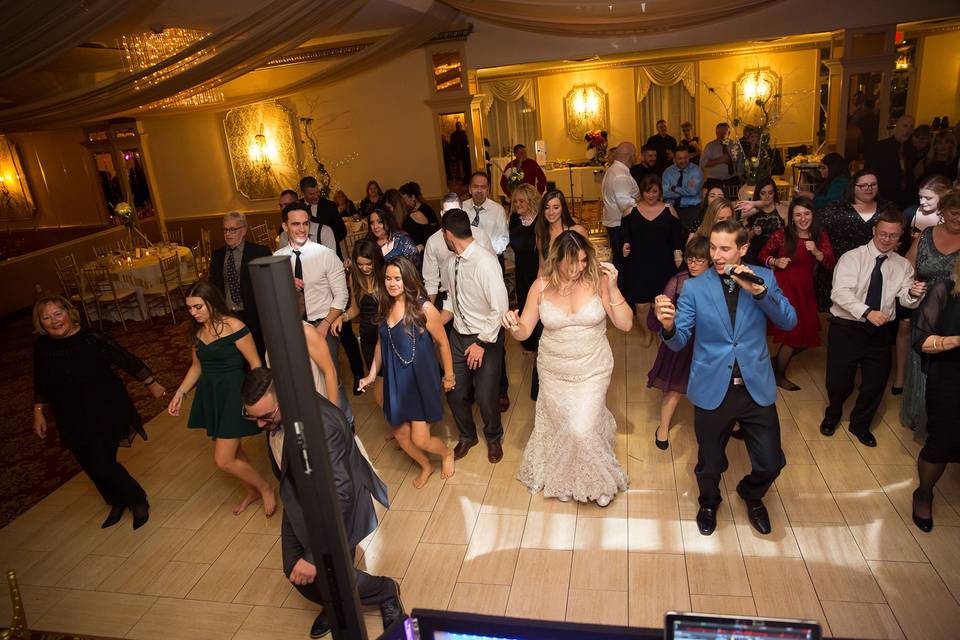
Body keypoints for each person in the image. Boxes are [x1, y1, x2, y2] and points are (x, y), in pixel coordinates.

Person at [654, 219, 797, 537]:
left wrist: (759, 291)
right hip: (712, 387)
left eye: (724, 248)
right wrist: (668, 326)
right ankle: (708, 502)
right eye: (713, 248)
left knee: (772, 462)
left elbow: (788, 322)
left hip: (755, 387)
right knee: (709, 463)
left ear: (743, 249)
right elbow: (679, 341)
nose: (716, 255)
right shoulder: (694, 287)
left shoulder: (766, 279)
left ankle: (751, 494)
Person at [240, 367, 402, 638]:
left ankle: (385, 590)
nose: (259, 425)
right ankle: (336, 603)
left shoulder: (321, 425)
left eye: (266, 417)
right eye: (253, 417)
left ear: (285, 399)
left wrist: (313, 556)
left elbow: (340, 494)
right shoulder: (275, 415)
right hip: (299, 497)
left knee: (335, 573)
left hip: (336, 506)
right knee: (294, 567)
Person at [503, 231, 633, 506]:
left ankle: (600, 480)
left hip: (592, 367)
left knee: (581, 427)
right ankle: (564, 476)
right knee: (564, 425)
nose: (580, 268)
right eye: (573, 262)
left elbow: (625, 324)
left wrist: (613, 289)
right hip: (553, 370)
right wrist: (514, 327)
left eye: (584, 260)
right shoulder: (540, 287)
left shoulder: (598, 282)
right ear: (557, 260)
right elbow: (525, 330)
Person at [32, 295, 162, 530]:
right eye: (46, 317)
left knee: (102, 462)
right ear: (40, 323)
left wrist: (151, 382)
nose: (54, 321)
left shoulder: (91, 338)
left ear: (70, 313)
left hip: (105, 408)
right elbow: (40, 381)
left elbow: (125, 359)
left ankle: (137, 499)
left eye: (58, 314)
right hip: (69, 415)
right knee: (88, 464)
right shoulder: (42, 347)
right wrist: (38, 411)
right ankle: (116, 501)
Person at [167, 281, 276, 516]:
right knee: (233, 452)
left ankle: (265, 488)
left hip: (234, 394)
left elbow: (255, 364)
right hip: (212, 394)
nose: (193, 313)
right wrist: (180, 392)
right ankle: (252, 490)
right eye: (189, 308)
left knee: (223, 459)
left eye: (198, 307)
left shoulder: (235, 326)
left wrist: (255, 399)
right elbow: (197, 366)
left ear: (212, 303)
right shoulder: (197, 332)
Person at [820, 211, 926, 447]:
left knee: (875, 382)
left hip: (879, 331)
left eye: (893, 236)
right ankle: (833, 414)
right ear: (873, 231)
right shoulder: (852, 258)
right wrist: (867, 311)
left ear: (900, 237)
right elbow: (839, 294)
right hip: (847, 327)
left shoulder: (902, 266)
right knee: (839, 382)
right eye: (883, 234)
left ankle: (861, 425)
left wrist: (913, 294)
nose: (887, 240)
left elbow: (906, 300)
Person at [358, 257, 457, 488]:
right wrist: (372, 374)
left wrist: (449, 375)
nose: (392, 284)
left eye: (397, 279)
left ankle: (446, 454)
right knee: (402, 436)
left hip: (419, 379)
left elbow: (442, 342)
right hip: (396, 379)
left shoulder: (424, 308)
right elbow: (381, 344)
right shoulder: (385, 305)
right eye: (388, 279)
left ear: (408, 279)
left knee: (420, 438)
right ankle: (426, 466)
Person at [440, 209, 510, 464]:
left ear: (447, 234)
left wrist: (481, 343)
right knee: (454, 391)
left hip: (486, 338)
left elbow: (500, 309)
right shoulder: (450, 262)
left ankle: (493, 436)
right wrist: (434, 324)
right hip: (458, 337)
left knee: (485, 395)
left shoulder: (485, 262)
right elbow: (451, 302)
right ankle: (467, 436)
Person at [274, 203, 353, 425]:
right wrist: (284, 285)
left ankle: (343, 425)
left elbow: (341, 296)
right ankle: (312, 427)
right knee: (301, 380)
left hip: (322, 325)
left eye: (305, 223)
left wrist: (326, 324)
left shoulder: (326, 255)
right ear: (285, 227)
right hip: (293, 328)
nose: (301, 229)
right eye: (295, 224)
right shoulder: (277, 259)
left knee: (331, 379)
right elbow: (273, 300)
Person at [758, 197, 836, 390]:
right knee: (793, 335)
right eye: (798, 214)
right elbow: (761, 256)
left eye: (807, 214)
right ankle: (779, 375)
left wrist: (817, 252)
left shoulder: (819, 235)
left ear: (813, 215)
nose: (803, 218)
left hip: (805, 290)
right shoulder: (781, 235)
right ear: (792, 217)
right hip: (784, 289)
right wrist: (775, 262)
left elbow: (830, 263)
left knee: (806, 334)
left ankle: (774, 361)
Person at [900, 190, 960, 439]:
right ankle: (918, 418)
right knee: (920, 364)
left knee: (945, 369)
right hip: (923, 311)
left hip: (954, 315)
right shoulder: (926, 236)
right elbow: (907, 266)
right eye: (955, 213)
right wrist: (911, 287)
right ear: (943, 212)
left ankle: (940, 425)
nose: (959, 218)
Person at [909, 259, 960, 533]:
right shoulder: (945, 290)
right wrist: (955, 340)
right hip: (951, 378)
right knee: (942, 440)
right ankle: (924, 493)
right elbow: (921, 341)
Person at [646, 237, 711, 449]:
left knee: (715, 388)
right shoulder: (678, 280)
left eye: (699, 260)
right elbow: (660, 317)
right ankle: (663, 428)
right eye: (690, 259)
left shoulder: (717, 282)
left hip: (708, 343)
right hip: (681, 343)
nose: (693, 264)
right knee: (674, 390)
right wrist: (660, 310)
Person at [892, 174, 952, 396]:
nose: (923, 202)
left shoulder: (950, 222)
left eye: (928, 198)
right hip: (916, 285)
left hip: (945, 295)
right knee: (905, 329)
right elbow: (907, 256)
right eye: (920, 197)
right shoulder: (910, 213)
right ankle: (902, 379)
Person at [816, 169, 896, 309]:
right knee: (841, 309)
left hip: (877, 270)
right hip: (841, 269)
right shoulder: (835, 208)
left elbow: (898, 231)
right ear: (853, 187)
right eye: (863, 185)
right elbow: (817, 230)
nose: (869, 188)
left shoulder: (888, 208)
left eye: (873, 184)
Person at [620, 175, 684, 344]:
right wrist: (625, 245)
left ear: (660, 192)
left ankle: (663, 333)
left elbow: (677, 240)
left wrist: (679, 258)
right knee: (641, 305)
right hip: (638, 265)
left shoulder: (669, 210)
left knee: (661, 304)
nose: (651, 195)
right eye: (647, 192)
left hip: (663, 265)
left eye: (654, 191)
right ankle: (647, 333)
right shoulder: (630, 211)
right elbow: (624, 236)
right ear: (642, 192)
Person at [209, 211, 272, 357]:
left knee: (258, 356)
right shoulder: (217, 255)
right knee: (234, 357)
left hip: (253, 316)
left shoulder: (259, 252)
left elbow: (268, 286)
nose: (228, 234)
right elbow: (213, 286)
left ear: (243, 230)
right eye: (225, 229)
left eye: (233, 229)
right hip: (227, 316)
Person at [333, 239, 386, 404]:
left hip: (387, 337)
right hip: (368, 339)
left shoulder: (386, 275)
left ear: (376, 260)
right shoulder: (355, 278)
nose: (364, 268)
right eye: (360, 264)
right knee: (378, 385)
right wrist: (342, 317)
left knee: (396, 383)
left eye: (368, 264)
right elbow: (355, 308)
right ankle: (394, 424)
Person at [423, 193, 495, 308]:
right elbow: (431, 281)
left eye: (456, 212)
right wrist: (428, 312)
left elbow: (493, 270)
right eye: (447, 213)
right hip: (448, 298)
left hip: (478, 297)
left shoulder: (480, 235)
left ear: (462, 212)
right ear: (441, 214)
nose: (452, 217)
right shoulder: (433, 241)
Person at [508, 183, 545, 399]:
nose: (518, 205)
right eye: (515, 201)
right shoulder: (513, 220)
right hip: (521, 271)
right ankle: (529, 342)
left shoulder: (541, 221)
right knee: (524, 304)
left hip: (538, 270)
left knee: (540, 305)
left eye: (522, 201)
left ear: (531, 201)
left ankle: (541, 340)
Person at [602, 142, 640, 272]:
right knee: (623, 263)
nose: (636, 158)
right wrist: (641, 204)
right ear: (628, 156)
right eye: (634, 155)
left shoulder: (613, 170)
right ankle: (622, 290)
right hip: (620, 225)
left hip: (614, 223)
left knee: (619, 261)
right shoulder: (621, 175)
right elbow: (624, 204)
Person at [865, 115, 916, 208]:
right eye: (905, 126)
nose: (908, 130)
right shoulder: (881, 147)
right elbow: (870, 172)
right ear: (897, 127)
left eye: (911, 126)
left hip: (905, 199)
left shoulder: (911, 149)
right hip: (884, 197)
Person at [737, 178, 787, 264]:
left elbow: (790, 237)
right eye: (763, 193)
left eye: (770, 193)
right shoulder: (752, 211)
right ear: (758, 194)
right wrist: (753, 232)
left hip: (778, 257)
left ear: (774, 193)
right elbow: (743, 239)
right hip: (755, 257)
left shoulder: (783, 209)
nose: (767, 196)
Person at [462, 171, 509, 257]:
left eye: (483, 187)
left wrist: (489, 252)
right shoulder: (461, 208)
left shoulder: (498, 210)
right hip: (467, 259)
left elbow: (504, 238)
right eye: (475, 186)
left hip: (493, 257)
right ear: (469, 189)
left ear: (488, 190)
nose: (479, 190)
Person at [301, 176, 347, 258]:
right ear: (303, 193)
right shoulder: (298, 207)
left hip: (331, 253)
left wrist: (326, 240)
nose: (316, 196)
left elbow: (342, 231)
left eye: (317, 192)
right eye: (311, 194)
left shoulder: (330, 206)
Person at [661, 145, 705, 234]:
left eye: (686, 158)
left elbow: (693, 191)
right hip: (672, 209)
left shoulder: (696, 171)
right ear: (674, 159)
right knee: (672, 236)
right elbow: (665, 193)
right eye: (680, 158)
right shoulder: (668, 172)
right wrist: (686, 190)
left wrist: (673, 188)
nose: (683, 161)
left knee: (691, 238)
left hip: (692, 210)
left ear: (689, 157)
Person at [398, 181, 439, 252]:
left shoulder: (426, 210)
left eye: (405, 200)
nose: (403, 203)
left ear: (413, 197)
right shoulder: (406, 213)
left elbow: (435, 230)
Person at [701, 123, 741, 191]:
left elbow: (740, 163)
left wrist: (740, 176)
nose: (722, 134)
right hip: (714, 181)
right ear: (716, 133)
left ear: (729, 133)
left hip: (732, 181)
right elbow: (703, 164)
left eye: (724, 132)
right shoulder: (710, 146)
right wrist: (720, 160)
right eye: (719, 132)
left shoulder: (735, 145)